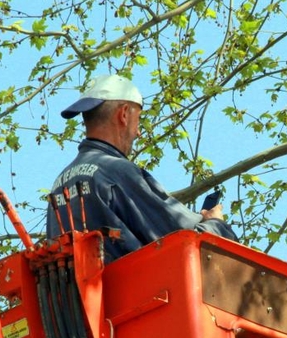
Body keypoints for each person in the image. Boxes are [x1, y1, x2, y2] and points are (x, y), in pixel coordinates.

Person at [46, 74, 237, 262]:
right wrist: (216, 224)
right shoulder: (117, 171)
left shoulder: (59, 185)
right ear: (123, 114)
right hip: (127, 291)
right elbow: (185, 239)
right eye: (138, 120)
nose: (138, 132)